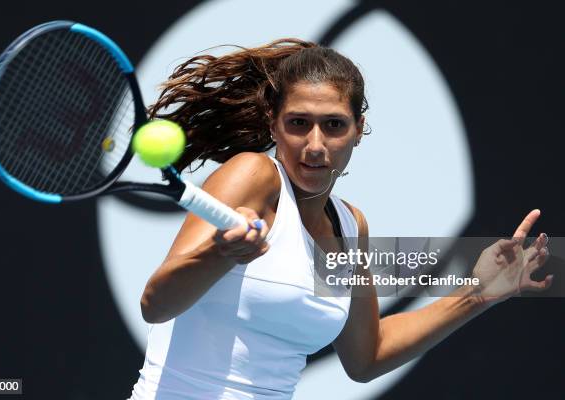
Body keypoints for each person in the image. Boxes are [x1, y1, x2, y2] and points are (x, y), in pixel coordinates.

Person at [128, 39, 552, 399]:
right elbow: (156, 303)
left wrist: (476, 294)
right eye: (298, 124)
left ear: (358, 129)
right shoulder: (254, 175)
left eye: (333, 125)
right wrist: (221, 254)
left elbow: (366, 357)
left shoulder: (351, 227)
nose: (315, 145)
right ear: (273, 126)